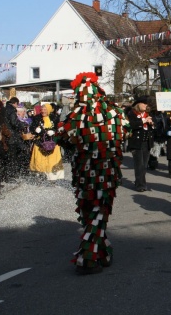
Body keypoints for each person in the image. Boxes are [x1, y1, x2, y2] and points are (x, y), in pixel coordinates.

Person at [58, 72, 130, 274]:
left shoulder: (75, 117)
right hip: (107, 171)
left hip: (83, 172)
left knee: (91, 212)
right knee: (99, 212)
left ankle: (98, 254)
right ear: (98, 91)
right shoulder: (116, 113)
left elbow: (63, 139)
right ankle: (91, 256)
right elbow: (126, 132)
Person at [29, 103, 64, 181]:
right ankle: (41, 176)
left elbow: (59, 128)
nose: (43, 111)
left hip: (52, 143)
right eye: (42, 109)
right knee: (40, 161)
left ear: (49, 110)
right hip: (40, 143)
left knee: (52, 160)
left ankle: (52, 177)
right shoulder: (37, 118)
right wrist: (36, 130)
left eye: (45, 109)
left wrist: (54, 131)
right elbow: (32, 128)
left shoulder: (55, 118)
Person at [126, 96, 153, 192]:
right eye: (144, 103)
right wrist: (143, 121)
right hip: (136, 143)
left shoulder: (147, 114)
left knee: (144, 165)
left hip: (146, 142)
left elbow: (153, 128)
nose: (146, 105)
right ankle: (140, 185)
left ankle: (141, 183)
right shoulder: (132, 114)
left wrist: (152, 123)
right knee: (139, 165)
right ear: (138, 104)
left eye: (146, 104)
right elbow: (131, 125)